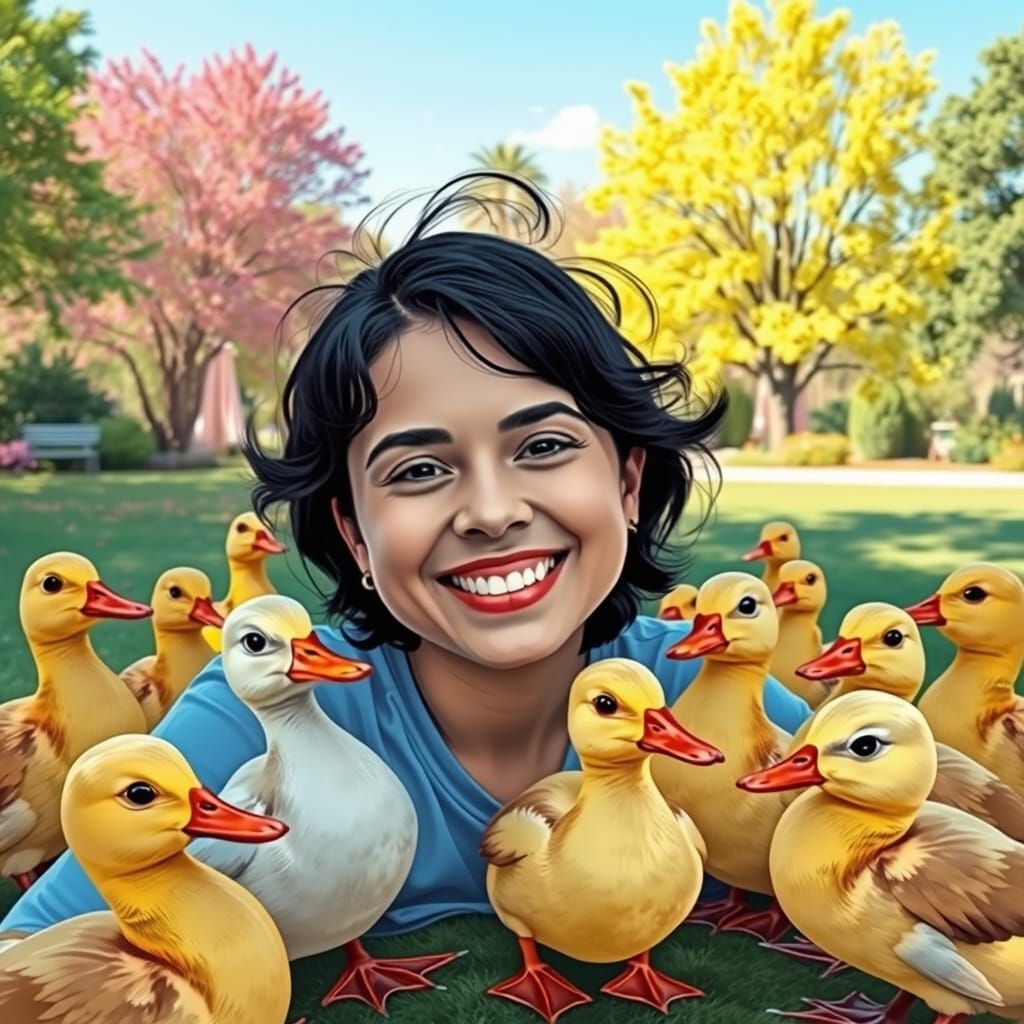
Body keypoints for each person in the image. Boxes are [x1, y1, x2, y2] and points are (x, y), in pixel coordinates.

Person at [0, 174, 809, 942]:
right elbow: (35, 952)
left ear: (627, 483)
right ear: (353, 531)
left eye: (547, 445)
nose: (493, 513)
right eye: (419, 470)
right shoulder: (255, 713)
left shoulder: (696, 694)